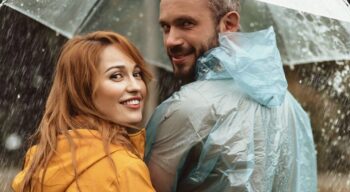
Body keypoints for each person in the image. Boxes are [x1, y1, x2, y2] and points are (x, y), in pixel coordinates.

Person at [145, 0, 317, 191]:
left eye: (186, 24)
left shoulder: (186, 109)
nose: (170, 40)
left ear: (228, 25)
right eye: (165, 27)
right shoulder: (291, 107)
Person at [12, 31, 155, 191]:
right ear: (83, 89)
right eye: (116, 76)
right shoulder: (124, 169)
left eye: (136, 74)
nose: (136, 86)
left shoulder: (39, 162)